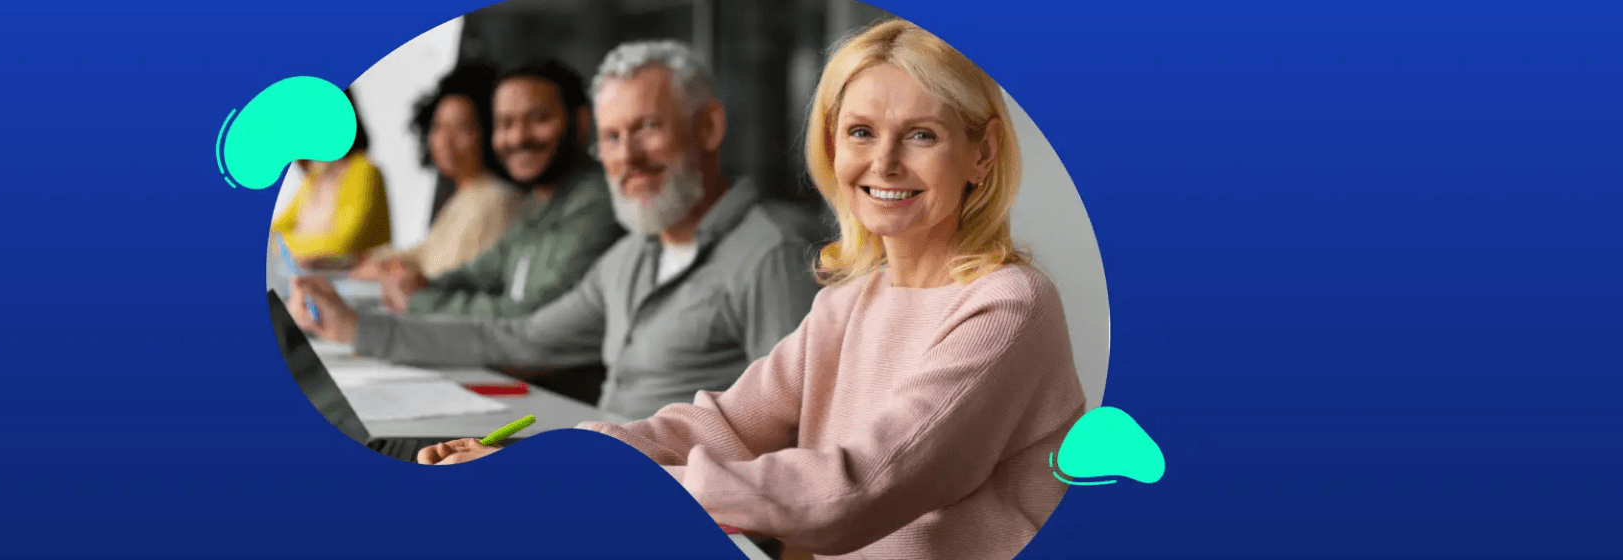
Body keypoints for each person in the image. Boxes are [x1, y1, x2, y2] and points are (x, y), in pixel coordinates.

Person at [416, 20, 1088, 559]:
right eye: (860, 132)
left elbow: (858, 489)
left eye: (921, 135)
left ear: (983, 153)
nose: (882, 162)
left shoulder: (1009, 307)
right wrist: (547, 459)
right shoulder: (850, 301)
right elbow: (721, 425)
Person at [287, 40, 827, 421]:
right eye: (613, 138)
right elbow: (520, 336)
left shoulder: (770, 255)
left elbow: (789, 434)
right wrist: (357, 329)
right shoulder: (636, 255)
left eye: (648, 128)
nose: (626, 157)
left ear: (708, 127)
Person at [367, 60, 625, 319]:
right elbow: (481, 273)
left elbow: (540, 316)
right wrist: (418, 285)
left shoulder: (598, 203)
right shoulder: (539, 202)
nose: (517, 138)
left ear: (582, 122)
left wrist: (419, 301)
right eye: (505, 124)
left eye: (538, 119)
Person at [351, 62, 526, 294]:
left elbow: (450, 280)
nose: (446, 140)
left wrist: (391, 270)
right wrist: (377, 261)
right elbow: (426, 252)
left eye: (462, 128)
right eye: (439, 127)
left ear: (490, 131)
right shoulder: (465, 195)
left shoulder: (494, 200)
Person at [269, 88, 391, 270]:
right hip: (318, 283)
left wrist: (284, 246)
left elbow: (340, 246)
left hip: (358, 290)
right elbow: (271, 235)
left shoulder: (364, 171)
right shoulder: (317, 175)